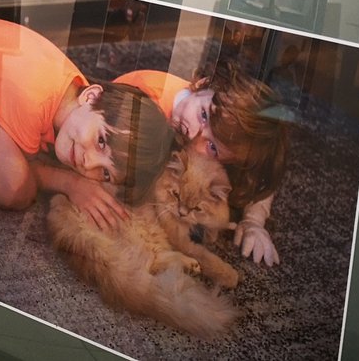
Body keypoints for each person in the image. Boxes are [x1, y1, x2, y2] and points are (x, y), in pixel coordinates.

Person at [0, 18, 173, 229]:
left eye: (104, 174)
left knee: (29, 162)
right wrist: (71, 183)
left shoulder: (77, 99)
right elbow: (27, 170)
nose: (88, 164)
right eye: (101, 141)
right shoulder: (34, 98)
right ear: (91, 97)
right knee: (16, 188)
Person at [115, 62, 290, 265]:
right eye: (204, 115)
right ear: (203, 83)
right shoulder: (145, 100)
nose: (195, 133)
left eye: (212, 147)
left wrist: (254, 221)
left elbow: (258, 179)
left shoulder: (204, 133)